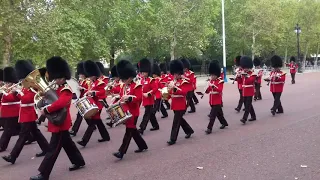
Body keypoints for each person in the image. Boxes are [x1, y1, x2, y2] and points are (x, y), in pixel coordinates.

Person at [30, 56, 85, 180]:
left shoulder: (66, 89)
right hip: (58, 121)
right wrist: (44, 99)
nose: (56, 80)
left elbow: (60, 103)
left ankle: (43, 174)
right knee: (67, 144)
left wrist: (46, 109)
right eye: (55, 78)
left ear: (63, 77)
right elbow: (52, 100)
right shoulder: (58, 88)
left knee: (52, 150)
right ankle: (79, 161)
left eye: (58, 78)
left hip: (61, 122)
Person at [2, 60, 49, 164]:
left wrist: (18, 92)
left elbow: (29, 99)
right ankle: (46, 148)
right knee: (36, 133)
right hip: (24, 113)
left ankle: (12, 156)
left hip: (29, 113)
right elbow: (20, 98)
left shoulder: (32, 86)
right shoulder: (24, 86)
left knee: (23, 136)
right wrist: (16, 93)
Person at [113, 60, 148, 159]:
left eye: (124, 79)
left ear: (129, 77)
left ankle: (121, 152)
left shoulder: (137, 85)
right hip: (125, 111)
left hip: (133, 112)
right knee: (133, 131)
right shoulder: (123, 86)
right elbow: (121, 96)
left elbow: (139, 98)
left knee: (129, 131)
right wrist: (116, 98)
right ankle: (142, 145)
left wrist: (129, 98)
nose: (123, 81)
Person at [77, 60, 110, 147]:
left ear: (94, 74)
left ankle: (84, 141)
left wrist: (93, 93)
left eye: (91, 76)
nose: (90, 77)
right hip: (93, 103)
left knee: (92, 122)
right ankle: (106, 136)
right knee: (98, 121)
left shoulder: (100, 82)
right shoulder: (92, 83)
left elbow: (102, 91)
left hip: (99, 103)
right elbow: (89, 90)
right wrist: (86, 92)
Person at [167, 60, 194, 145]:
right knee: (180, 120)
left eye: (176, 74)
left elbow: (184, 92)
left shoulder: (184, 81)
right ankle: (189, 130)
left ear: (180, 73)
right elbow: (170, 93)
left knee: (176, 121)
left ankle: (173, 139)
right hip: (174, 103)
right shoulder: (173, 81)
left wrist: (175, 88)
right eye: (173, 74)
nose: (174, 76)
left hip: (181, 103)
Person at [69, 62, 93, 136]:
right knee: (83, 115)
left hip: (85, 100)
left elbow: (89, 91)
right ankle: (92, 125)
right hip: (80, 100)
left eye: (80, 74)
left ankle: (74, 130)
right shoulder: (80, 81)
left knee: (80, 115)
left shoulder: (88, 81)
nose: (79, 75)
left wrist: (83, 89)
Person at [0, 67, 21, 152]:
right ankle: (31, 136)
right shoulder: (7, 88)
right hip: (8, 112)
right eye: (6, 82)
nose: (7, 84)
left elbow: (14, 98)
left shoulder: (16, 88)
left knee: (7, 130)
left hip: (13, 111)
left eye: (8, 82)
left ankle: (2, 145)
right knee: (24, 129)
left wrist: (4, 93)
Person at [205, 61, 228, 134]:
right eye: (211, 75)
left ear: (216, 75)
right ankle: (224, 123)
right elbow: (208, 91)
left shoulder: (220, 81)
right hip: (212, 100)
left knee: (212, 116)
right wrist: (206, 90)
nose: (212, 77)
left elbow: (220, 90)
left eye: (213, 75)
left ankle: (209, 128)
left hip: (217, 101)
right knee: (219, 114)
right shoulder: (211, 81)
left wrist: (213, 86)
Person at [138, 58, 159, 135]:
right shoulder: (142, 80)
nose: (142, 73)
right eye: (142, 72)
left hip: (150, 100)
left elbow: (155, 88)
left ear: (148, 72)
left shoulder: (151, 80)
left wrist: (149, 93)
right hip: (145, 100)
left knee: (146, 114)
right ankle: (156, 125)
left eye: (144, 72)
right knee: (150, 114)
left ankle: (141, 128)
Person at [239, 56, 257, 124]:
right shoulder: (243, 73)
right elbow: (240, 82)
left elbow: (251, 81)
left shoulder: (253, 73)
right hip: (244, 91)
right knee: (248, 105)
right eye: (244, 67)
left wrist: (246, 76)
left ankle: (244, 118)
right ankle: (253, 116)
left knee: (247, 105)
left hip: (250, 91)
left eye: (246, 67)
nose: (245, 69)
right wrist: (238, 77)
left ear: (249, 67)